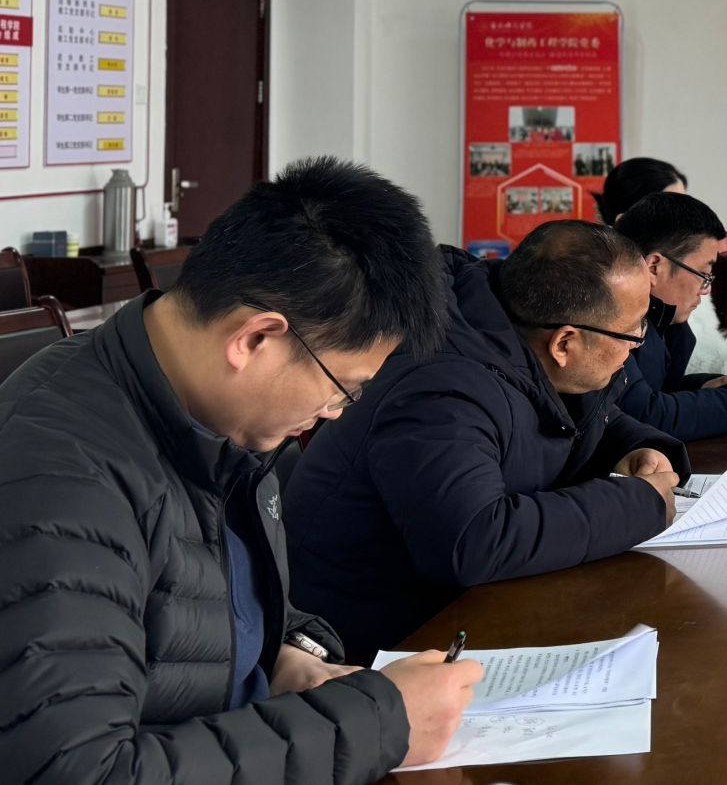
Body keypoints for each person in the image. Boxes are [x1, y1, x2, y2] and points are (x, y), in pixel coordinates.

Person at [0, 158, 484, 782]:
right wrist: (376, 724)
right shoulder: (64, 481)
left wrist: (285, 655)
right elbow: (80, 772)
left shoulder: (221, 423)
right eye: (343, 385)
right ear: (255, 339)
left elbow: (212, 606)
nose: (336, 412)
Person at [286, 220, 686, 660]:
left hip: (466, 611)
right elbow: (471, 541)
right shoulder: (442, 390)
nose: (637, 344)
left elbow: (574, 415)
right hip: (369, 645)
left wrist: (637, 447)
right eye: (632, 332)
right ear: (564, 344)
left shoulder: (520, 332)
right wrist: (639, 503)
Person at [614, 192, 727, 434]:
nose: (705, 289)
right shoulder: (611, 320)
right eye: (703, 274)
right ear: (655, 267)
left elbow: (659, 391)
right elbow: (644, 416)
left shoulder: (662, 320)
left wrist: (706, 386)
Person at [597, 156, 727, 377]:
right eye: (668, 203)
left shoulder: (673, 293)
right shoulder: (618, 314)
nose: (682, 213)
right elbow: (652, 398)